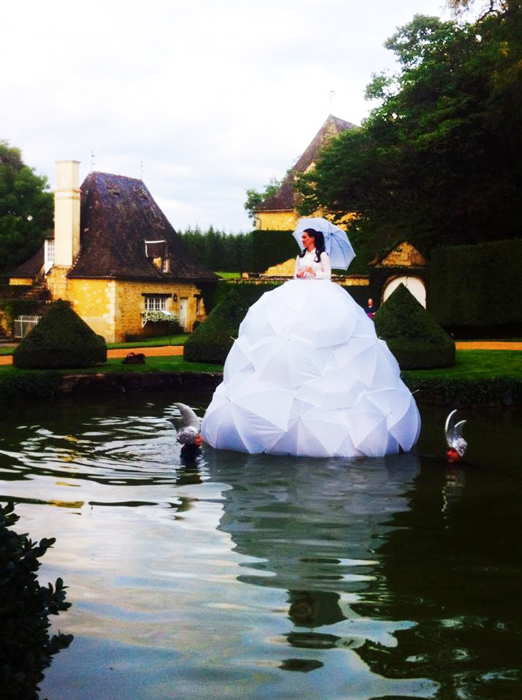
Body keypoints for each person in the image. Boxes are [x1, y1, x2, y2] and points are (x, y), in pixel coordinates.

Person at [201, 224, 420, 459]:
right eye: (302, 237)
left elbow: (327, 275)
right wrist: (301, 273)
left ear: (313, 238)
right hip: (297, 293)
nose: (303, 240)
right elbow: (296, 273)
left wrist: (312, 273)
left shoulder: (322, 256)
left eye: (305, 237)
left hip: (322, 295)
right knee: (287, 333)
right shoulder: (300, 256)